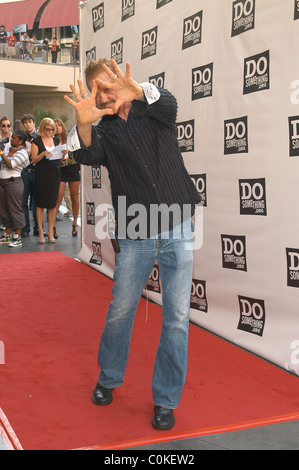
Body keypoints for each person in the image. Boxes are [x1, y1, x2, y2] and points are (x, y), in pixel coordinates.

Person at [64, 58, 201, 430]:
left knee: (176, 318)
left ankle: (165, 400)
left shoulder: (152, 107)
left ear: (123, 80)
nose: (107, 95)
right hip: (136, 230)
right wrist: (83, 121)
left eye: (110, 86)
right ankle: (108, 377)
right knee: (122, 308)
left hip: (177, 223)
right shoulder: (103, 129)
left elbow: (171, 105)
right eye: (99, 91)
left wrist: (138, 91)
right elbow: (85, 154)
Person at [31, 118, 61, 244]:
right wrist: (43, 154)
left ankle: (50, 230)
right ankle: (40, 231)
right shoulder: (36, 141)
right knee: (40, 203)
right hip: (42, 173)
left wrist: (63, 152)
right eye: (48, 129)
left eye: (52, 129)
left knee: (52, 203)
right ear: (42, 128)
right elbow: (34, 159)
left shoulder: (56, 140)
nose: (50, 131)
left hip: (55, 172)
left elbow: (60, 157)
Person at [0, 130, 29, 247]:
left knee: (15, 209)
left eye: (14, 138)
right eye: (11, 138)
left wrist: (1, 152)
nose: (11, 140)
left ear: (20, 141)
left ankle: (17, 237)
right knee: (3, 209)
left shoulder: (22, 153)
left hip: (14, 183)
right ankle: (7, 235)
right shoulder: (10, 150)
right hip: (2, 182)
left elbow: (10, 164)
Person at [53, 118, 80, 238]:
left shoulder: (70, 138)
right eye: (56, 126)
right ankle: (52, 226)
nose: (58, 128)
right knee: (58, 199)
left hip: (73, 168)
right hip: (60, 171)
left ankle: (75, 223)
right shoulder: (52, 141)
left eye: (60, 125)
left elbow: (77, 153)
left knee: (75, 197)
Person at [21, 114, 38, 237]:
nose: (28, 124)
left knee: (37, 202)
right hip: (24, 172)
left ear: (34, 123)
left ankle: (38, 229)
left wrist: (32, 152)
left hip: (37, 172)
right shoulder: (20, 138)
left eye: (30, 122)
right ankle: (25, 229)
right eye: (25, 122)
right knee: (23, 202)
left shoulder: (39, 137)